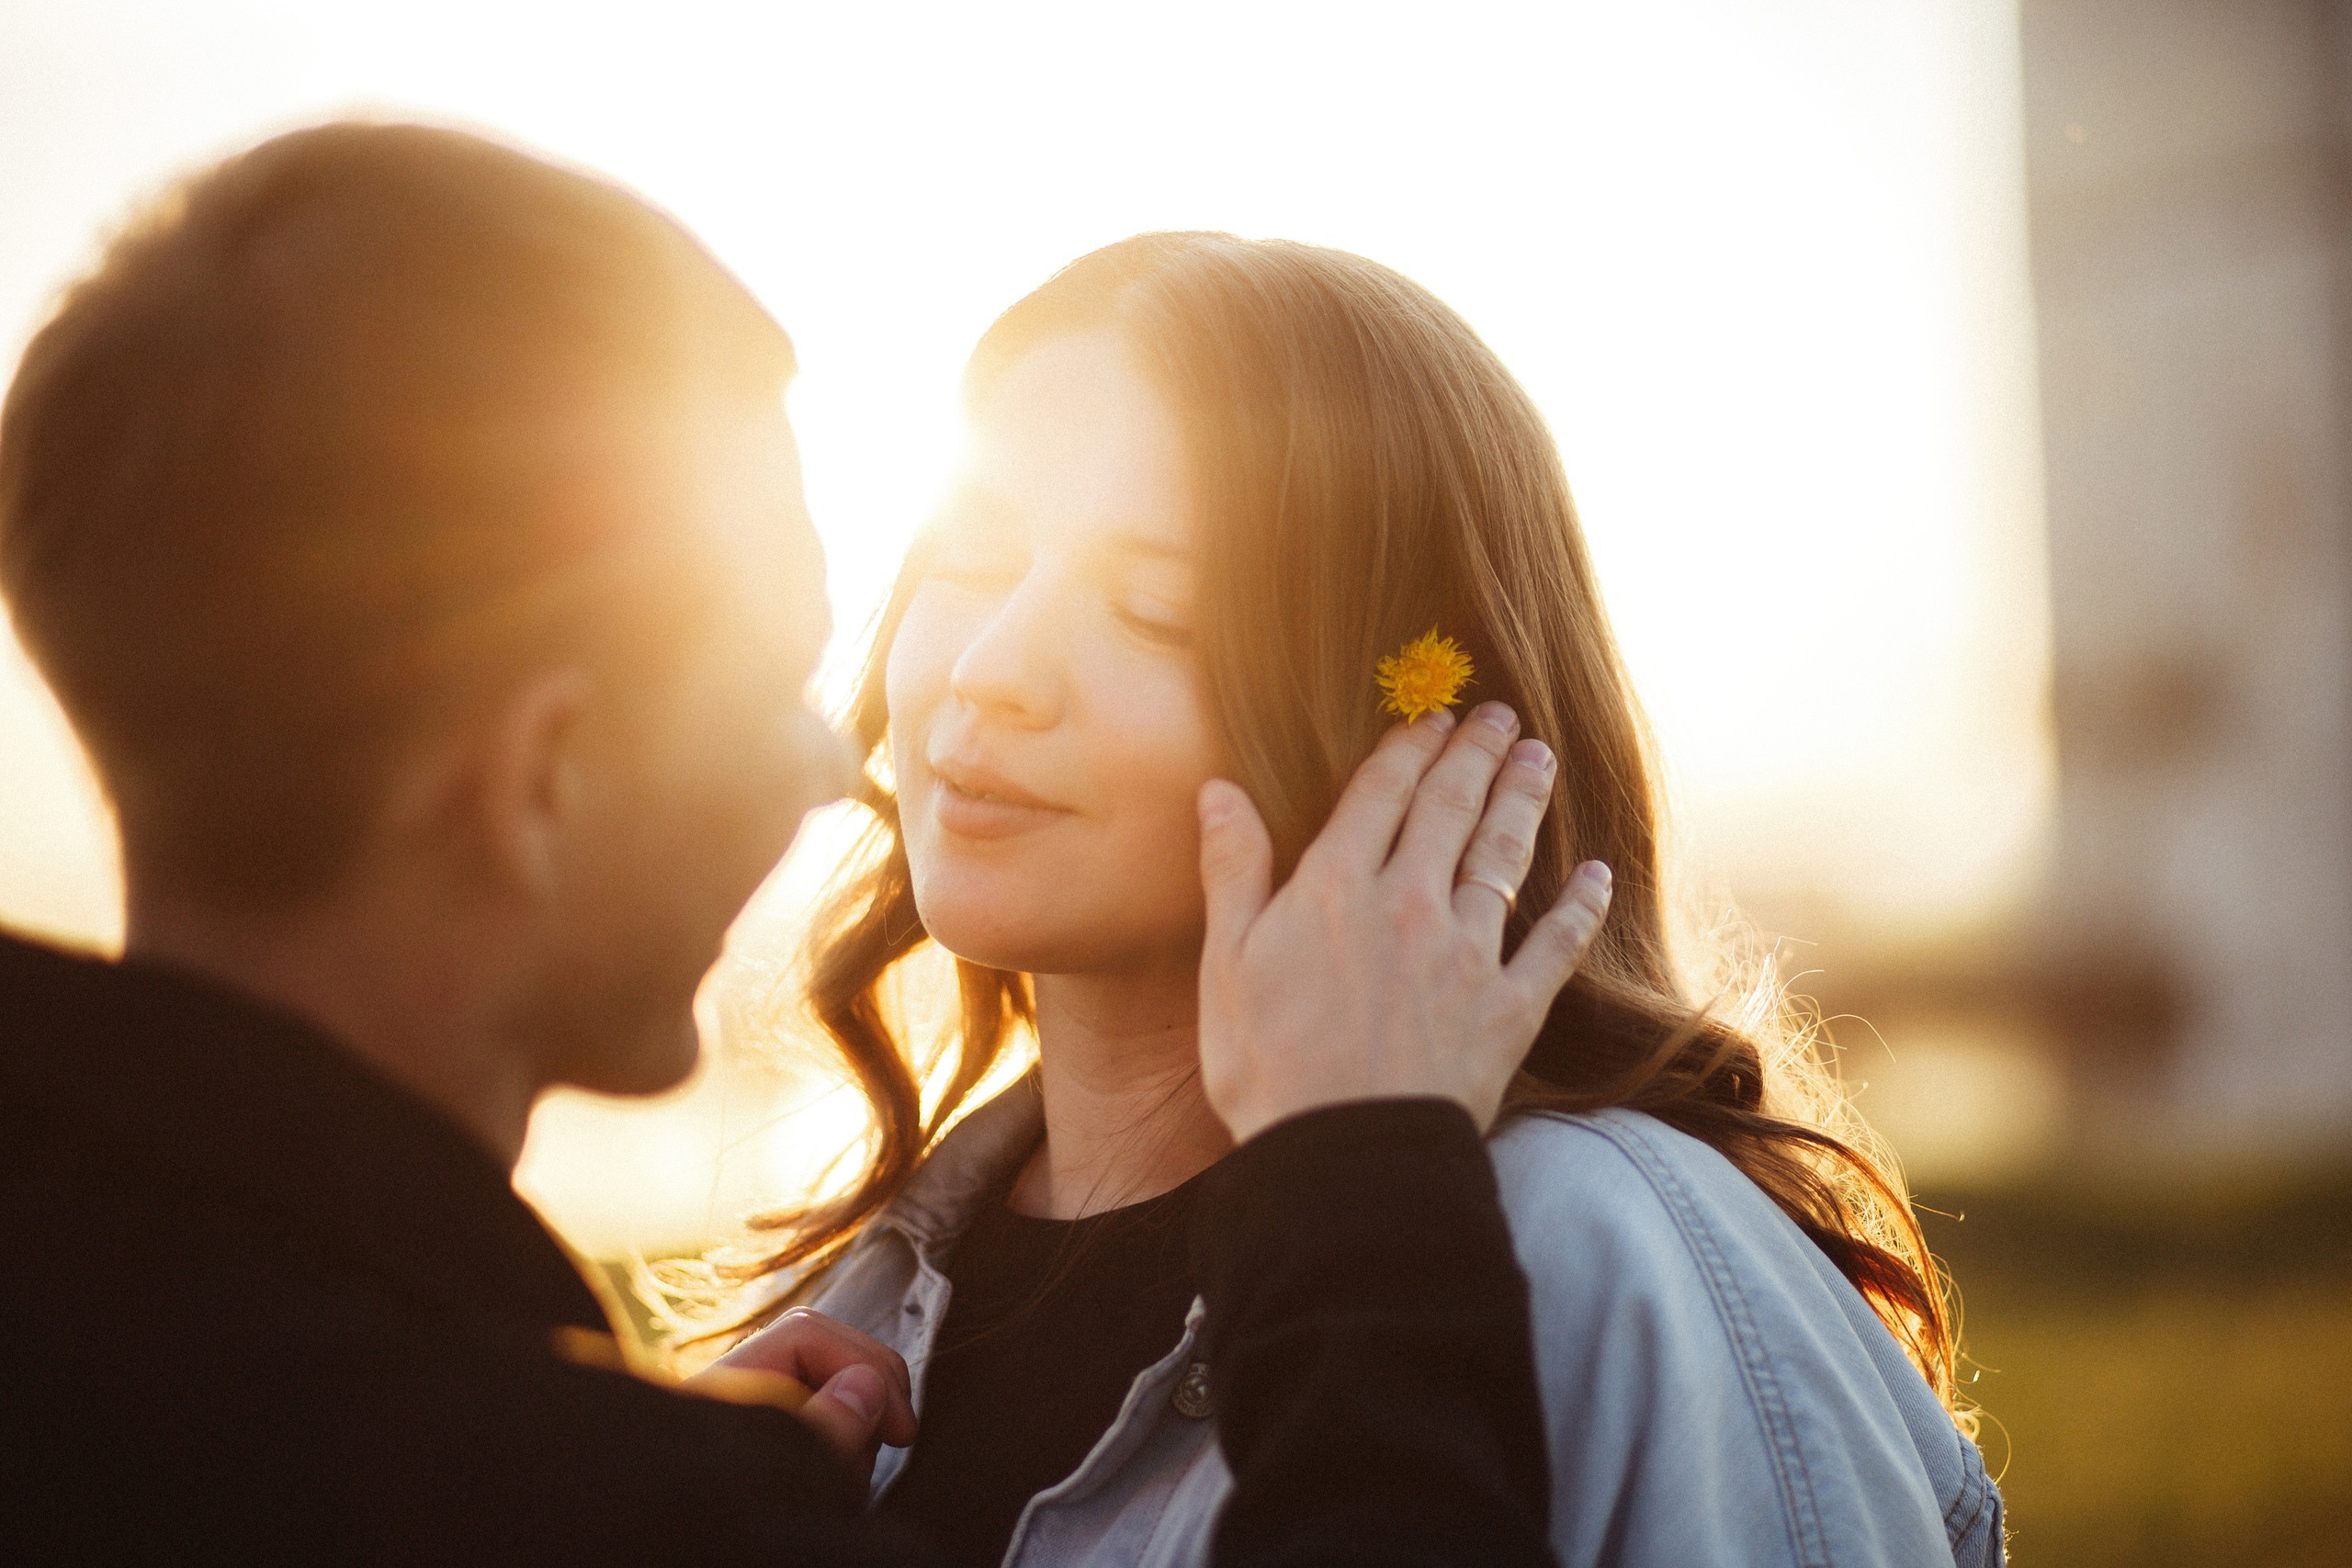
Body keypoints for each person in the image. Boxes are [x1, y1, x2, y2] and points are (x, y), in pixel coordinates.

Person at [0, 126, 1603, 1565]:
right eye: (767, 686)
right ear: (542, 781)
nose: (847, 761)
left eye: (1159, 608)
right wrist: (1372, 1205)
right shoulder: (543, 1499)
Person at [715, 232, 2007, 1567]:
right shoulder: (842, 1314)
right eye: (972, 558)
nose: (989, 668)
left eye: (1156, 610)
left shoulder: (1603, 1258)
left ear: (1416, 724)